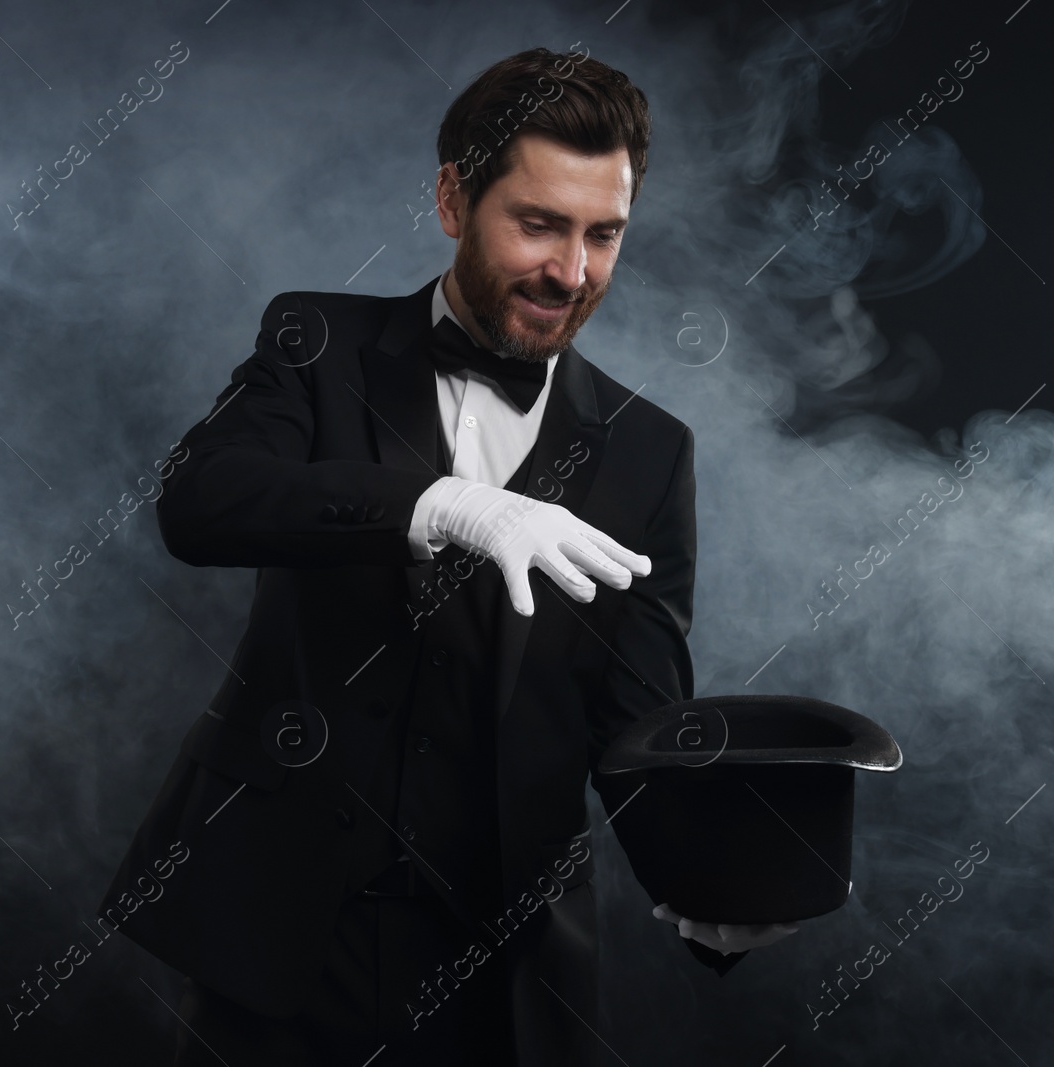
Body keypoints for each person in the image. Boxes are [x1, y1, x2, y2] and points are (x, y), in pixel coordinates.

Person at [100, 45, 798, 1066]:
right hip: (283, 940)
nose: (571, 271)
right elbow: (199, 502)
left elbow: (634, 712)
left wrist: (702, 884)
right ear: (450, 198)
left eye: (603, 234)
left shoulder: (653, 450)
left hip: (505, 971)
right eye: (539, 224)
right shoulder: (317, 344)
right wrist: (444, 502)